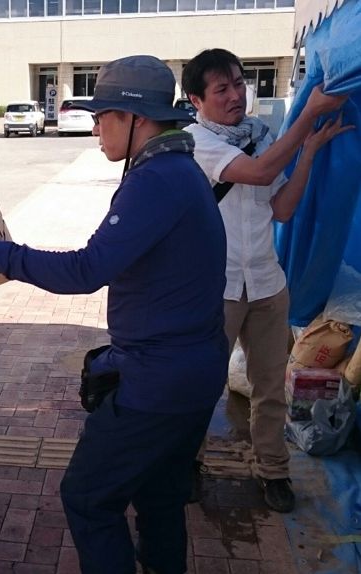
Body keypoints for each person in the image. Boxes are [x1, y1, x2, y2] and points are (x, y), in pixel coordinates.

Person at [0, 55, 228, 574]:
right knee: (158, 496)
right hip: (191, 371)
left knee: (88, 497)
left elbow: (87, 270)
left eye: (101, 115)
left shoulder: (158, 180)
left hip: (160, 382)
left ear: (135, 118)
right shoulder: (177, 169)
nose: (94, 129)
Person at [182, 48, 353, 513]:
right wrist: (310, 115)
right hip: (216, 288)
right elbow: (258, 173)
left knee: (271, 387)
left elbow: (282, 208)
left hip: (266, 284)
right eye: (222, 89)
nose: (236, 95)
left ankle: (273, 471)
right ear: (196, 99)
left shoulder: (262, 134)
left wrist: (309, 152)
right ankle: (187, 464)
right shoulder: (196, 143)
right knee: (202, 385)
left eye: (239, 83)